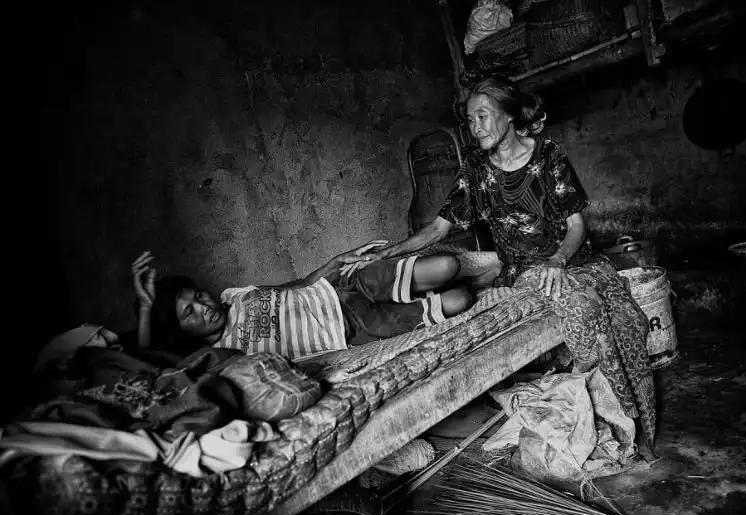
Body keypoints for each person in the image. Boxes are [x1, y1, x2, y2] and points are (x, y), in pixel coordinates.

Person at [346, 75, 657, 455]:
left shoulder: (549, 156)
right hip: (525, 269)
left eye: (483, 116)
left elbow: (576, 225)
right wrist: (388, 253)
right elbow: (438, 229)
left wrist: (558, 260)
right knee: (583, 310)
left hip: (575, 260)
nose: (476, 127)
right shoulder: (476, 170)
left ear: (509, 115)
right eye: (470, 120)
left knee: (627, 318)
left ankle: (639, 424)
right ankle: (611, 422)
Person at [129, 242, 474, 361]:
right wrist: (146, 308)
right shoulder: (218, 355)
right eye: (190, 312)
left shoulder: (233, 296)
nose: (204, 306)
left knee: (449, 265)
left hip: (345, 288)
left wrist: (336, 262)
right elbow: (153, 368)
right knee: (462, 299)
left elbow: (297, 286)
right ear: (180, 332)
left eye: (198, 296)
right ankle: (427, 297)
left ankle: (449, 276)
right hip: (353, 330)